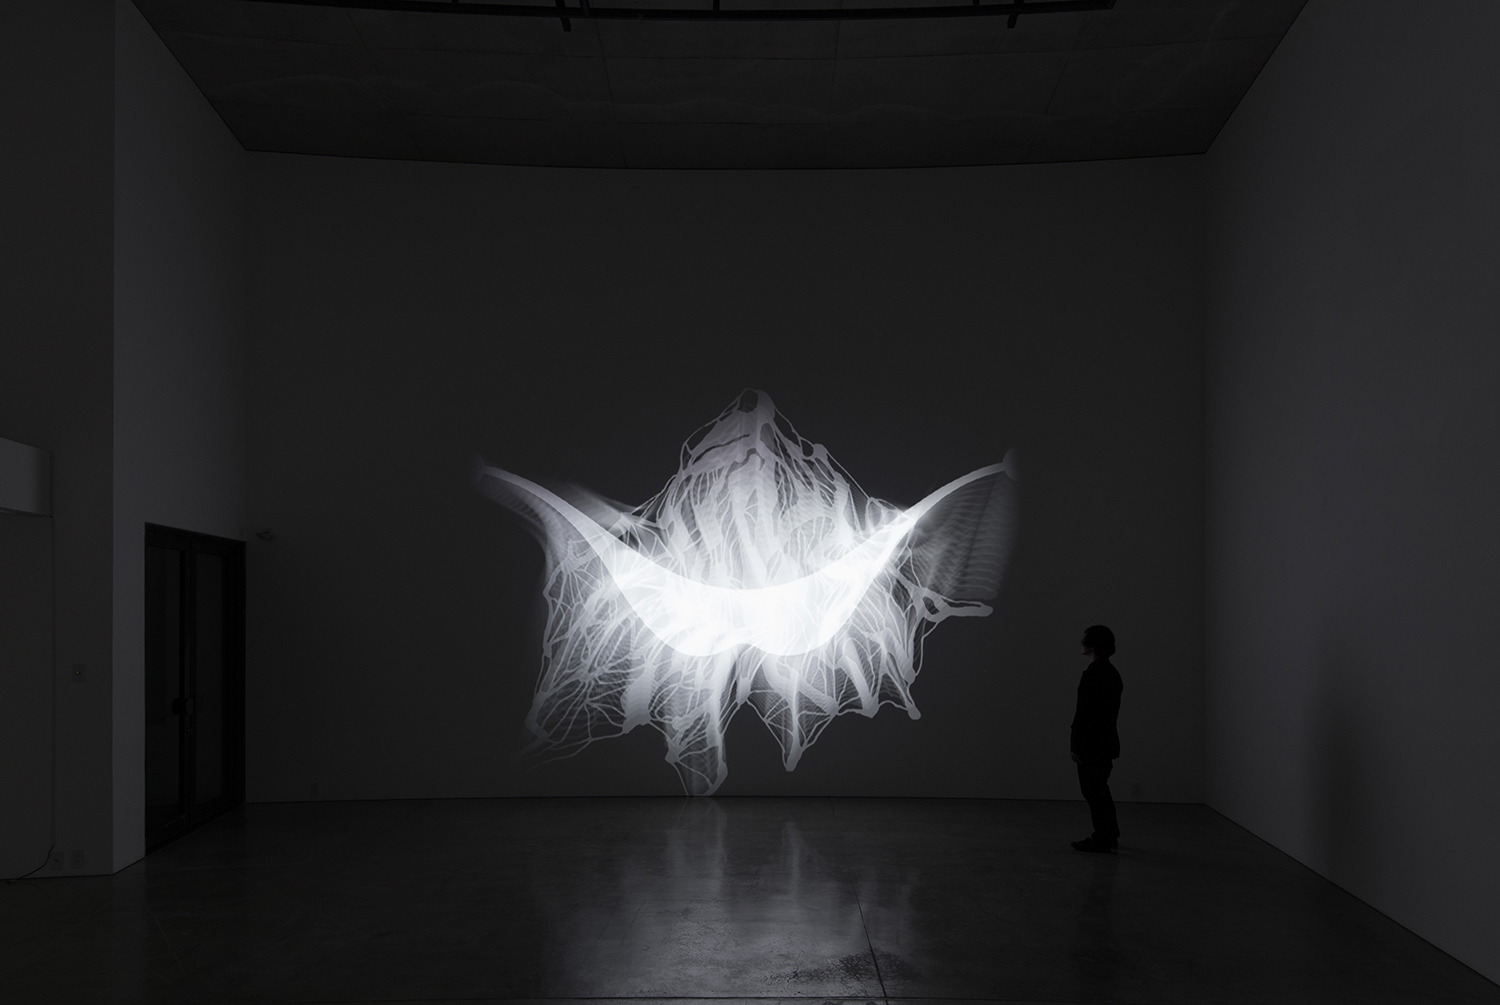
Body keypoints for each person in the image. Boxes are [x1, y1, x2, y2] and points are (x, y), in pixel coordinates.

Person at [1070, 625, 1122, 852]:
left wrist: (1077, 746)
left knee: (1094, 790)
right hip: (1104, 742)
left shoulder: (1094, 674)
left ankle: (1104, 837)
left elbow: (1086, 715)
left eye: (1085, 638)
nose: (1081, 642)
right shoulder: (1110, 673)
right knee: (1099, 789)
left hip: (1092, 745)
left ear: (1092, 645)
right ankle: (1108, 834)